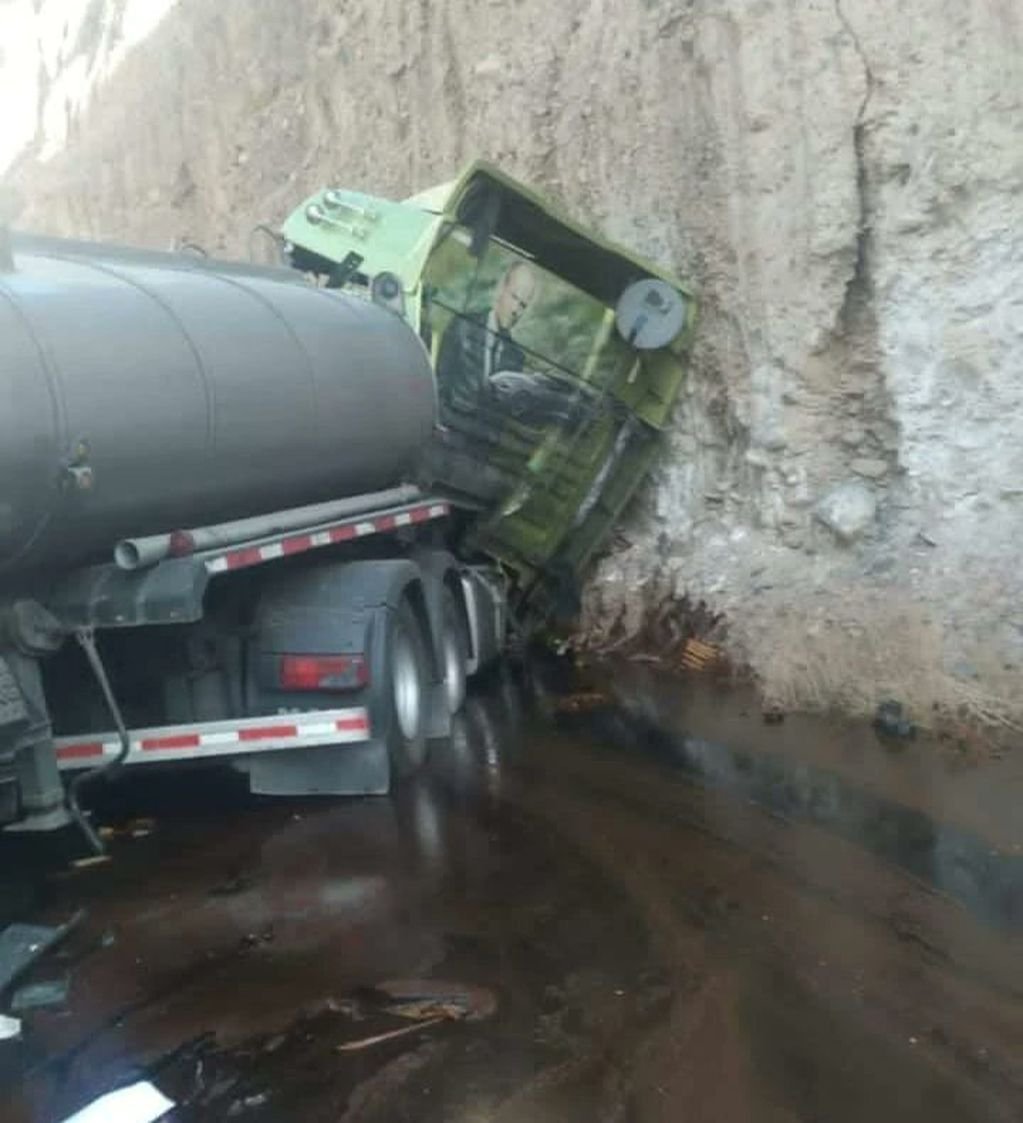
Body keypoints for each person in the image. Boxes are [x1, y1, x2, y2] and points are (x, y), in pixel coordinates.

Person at [436, 261, 538, 415]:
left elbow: (504, 413)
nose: (515, 310)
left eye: (523, 305)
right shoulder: (463, 326)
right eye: (514, 297)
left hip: (482, 436)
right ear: (501, 289)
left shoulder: (516, 358)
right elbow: (439, 381)